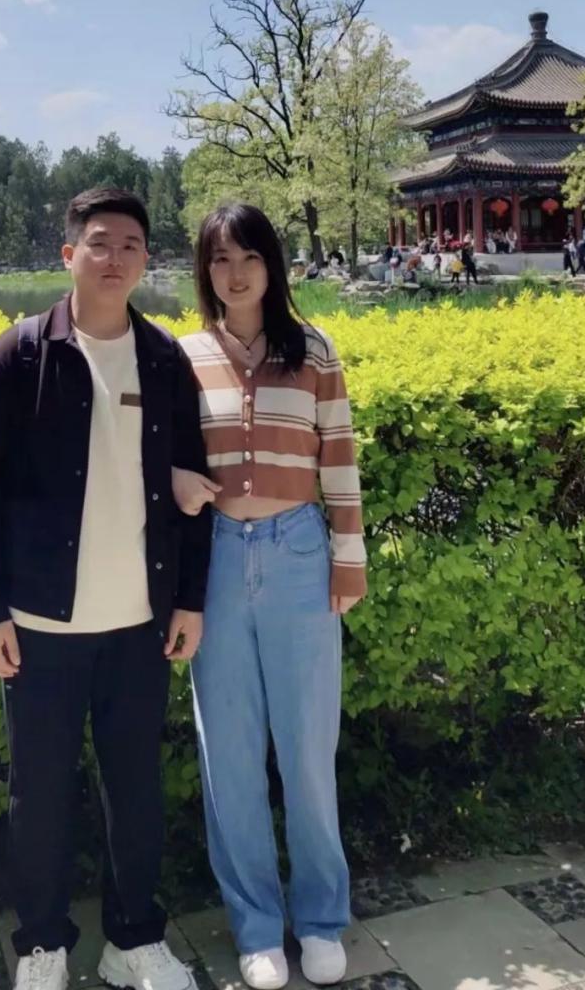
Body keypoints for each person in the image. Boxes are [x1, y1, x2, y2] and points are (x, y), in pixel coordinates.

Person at [0, 187, 212, 990]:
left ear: (146, 260)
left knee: (135, 791)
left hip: (139, 623)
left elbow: (192, 486)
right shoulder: (21, 354)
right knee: (38, 794)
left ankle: (134, 940)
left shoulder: (164, 360)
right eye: (99, 243)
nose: (115, 258)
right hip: (39, 623)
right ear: (69, 253)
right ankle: (42, 944)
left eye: (131, 245)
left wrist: (190, 599)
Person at [171, 204, 367, 990]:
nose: (236, 272)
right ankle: (256, 927)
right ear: (204, 271)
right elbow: (157, 454)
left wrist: (348, 560)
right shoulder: (183, 357)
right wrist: (175, 479)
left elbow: (339, 458)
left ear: (272, 264)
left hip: (298, 555)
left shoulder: (313, 350)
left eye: (249, 256)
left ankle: (320, 919)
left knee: (309, 749)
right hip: (217, 559)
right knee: (230, 754)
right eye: (220, 259)